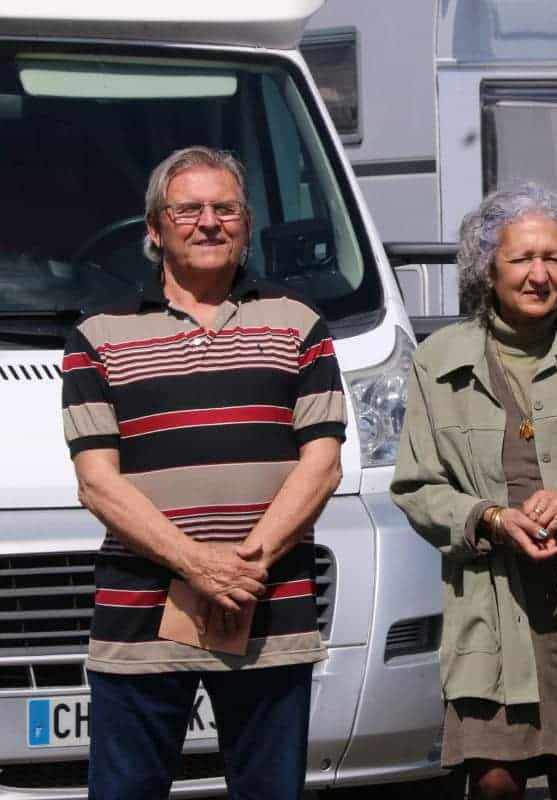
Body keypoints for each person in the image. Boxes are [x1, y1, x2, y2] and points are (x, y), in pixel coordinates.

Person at [61, 145, 344, 799]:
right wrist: (197, 563)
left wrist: (244, 564)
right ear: (155, 230)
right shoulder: (98, 336)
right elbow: (97, 481)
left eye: (226, 208)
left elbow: (322, 466)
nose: (209, 222)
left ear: (247, 224)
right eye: (187, 209)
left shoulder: (300, 326)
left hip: (269, 610)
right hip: (138, 619)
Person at [391, 183, 557, 800]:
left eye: (555, 259)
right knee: (493, 781)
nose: (540, 275)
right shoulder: (439, 359)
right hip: (490, 608)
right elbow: (416, 484)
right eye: (522, 259)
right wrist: (486, 517)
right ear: (487, 266)